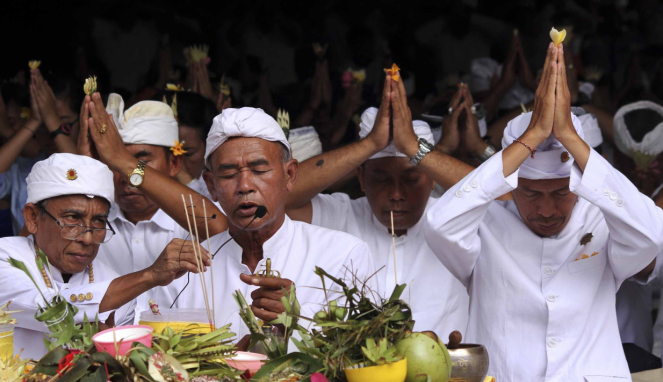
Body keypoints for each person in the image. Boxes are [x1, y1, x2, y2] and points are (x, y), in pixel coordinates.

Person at [423, 42, 662, 380]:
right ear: (509, 184)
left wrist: (568, 135)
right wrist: (532, 135)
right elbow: (437, 224)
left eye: (562, 193)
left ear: (580, 183)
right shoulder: (484, 225)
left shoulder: (605, 220)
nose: (547, 210)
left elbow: (652, 235)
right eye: (532, 193)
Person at [285, 74, 496, 338]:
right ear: (361, 178)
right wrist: (371, 144)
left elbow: (506, 202)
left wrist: (413, 148)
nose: (396, 194)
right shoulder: (340, 215)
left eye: (410, 179)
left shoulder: (455, 220)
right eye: (382, 179)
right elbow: (282, 196)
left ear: (432, 179)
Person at [168, 107, 376, 343]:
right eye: (228, 175)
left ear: (290, 175)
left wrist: (298, 320)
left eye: (259, 170)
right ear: (211, 185)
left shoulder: (344, 255)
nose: (245, 185)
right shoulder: (186, 272)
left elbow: (366, 353)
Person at [0, 153, 208, 359]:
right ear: (33, 217)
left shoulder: (115, 286)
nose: (88, 238)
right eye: (73, 218)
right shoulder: (6, 257)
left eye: (98, 221)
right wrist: (149, 276)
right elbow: (49, 309)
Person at [79, 92, 227, 316]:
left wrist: (124, 162)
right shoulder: (90, 223)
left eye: (141, 162)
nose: (125, 176)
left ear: (175, 162)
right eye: (112, 163)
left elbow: (219, 227)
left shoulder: (192, 218)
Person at [158, 90, 218, 199]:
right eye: (167, 152)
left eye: (188, 153)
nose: (176, 165)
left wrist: (184, 178)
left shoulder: (217, 191)